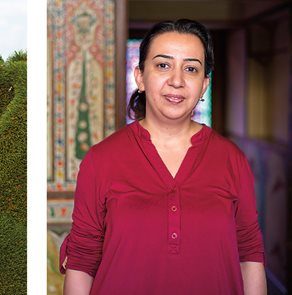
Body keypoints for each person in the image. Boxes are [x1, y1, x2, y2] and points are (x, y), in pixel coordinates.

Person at [59, 19, 266, 294]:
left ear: (204, 85)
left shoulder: (232, 160)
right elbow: (82, 262)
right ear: (140, 77)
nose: (177, 81)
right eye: (163, 65)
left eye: (191, 69)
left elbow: (249, 255)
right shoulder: (101, 160)